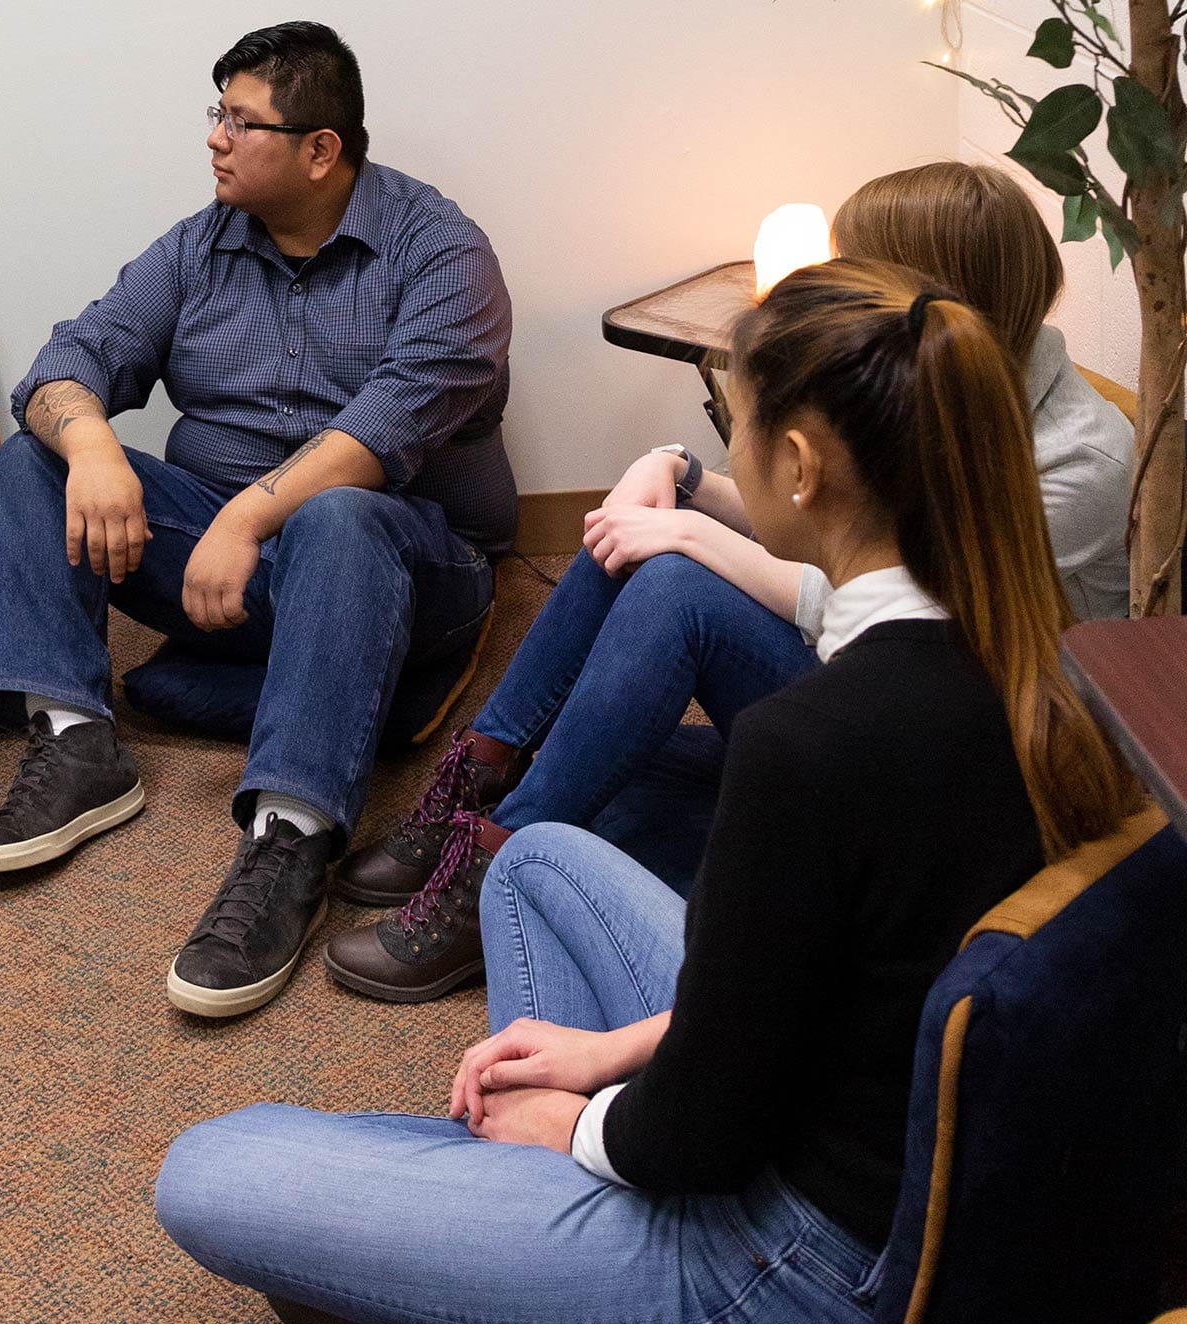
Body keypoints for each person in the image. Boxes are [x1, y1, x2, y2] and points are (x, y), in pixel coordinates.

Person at [155, 257, 1144, 1324]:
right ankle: (539, 1240)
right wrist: (609, 1056)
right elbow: (845, 988)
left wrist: (584, 1125)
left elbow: (700, 1141)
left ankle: (566, 1266)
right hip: (862, 1156)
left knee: (211, 1169)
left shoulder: (813, 745)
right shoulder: (1050, 672)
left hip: (788, 1294)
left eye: (732, 419)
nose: (723, 446)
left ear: (801, 465)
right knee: (533, 861)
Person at [323, 160, 1136, 1003]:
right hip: (882, 688)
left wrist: (686, 530)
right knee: (611, 744)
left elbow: (880, 616)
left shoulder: (1075, 462)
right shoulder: (936, 387)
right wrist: (677, 474)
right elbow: (822, 523)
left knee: (672, 601)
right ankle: (484, 776)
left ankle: (490, 872)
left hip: (964, 749)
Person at [0, 21, 513, 1018]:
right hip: (231, 561)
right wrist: (88, 446)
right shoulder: (195, 247)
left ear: (319, 149)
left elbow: (384, 432)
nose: (214, 137)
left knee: (339, 514)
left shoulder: (441, 254)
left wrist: (251, 518)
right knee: (33, 462)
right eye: (215, 112)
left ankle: (289, 836)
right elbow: (65, 365)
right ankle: (76, 738)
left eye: (241, 120)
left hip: (408, 561)